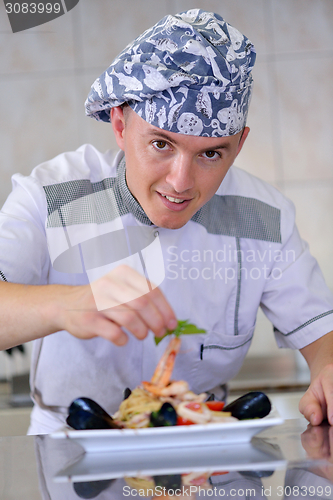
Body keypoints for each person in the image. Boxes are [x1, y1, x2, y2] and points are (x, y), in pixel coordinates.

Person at [0, 9, 333, 434]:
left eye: (211, 154)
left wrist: (329, 368)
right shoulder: (52, 197)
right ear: (120, 124)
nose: (181, 182)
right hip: (74, 455)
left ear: (239, 144)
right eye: (161, 144)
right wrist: (64, 304)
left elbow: (322, 333)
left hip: (205, 455)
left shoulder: (263, 217)